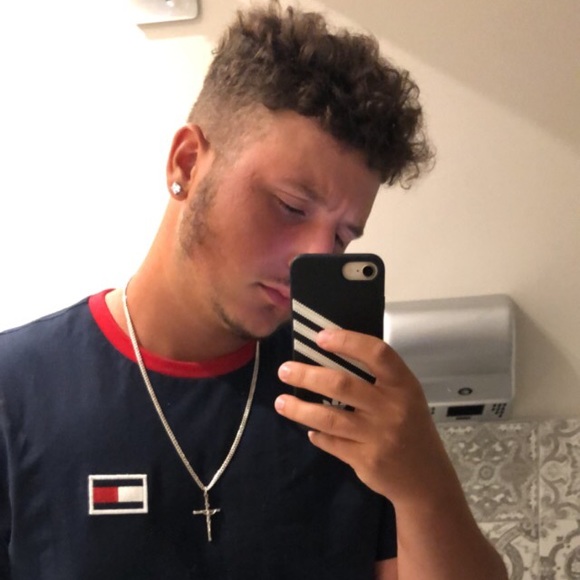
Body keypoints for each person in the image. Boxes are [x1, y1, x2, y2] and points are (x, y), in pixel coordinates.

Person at [0, 1, 508, 579]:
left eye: (343, 236)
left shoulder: (347, 400)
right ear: (187, 164)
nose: (316, 255)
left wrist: (427, 485)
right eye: (290, 206)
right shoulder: (16, 391)